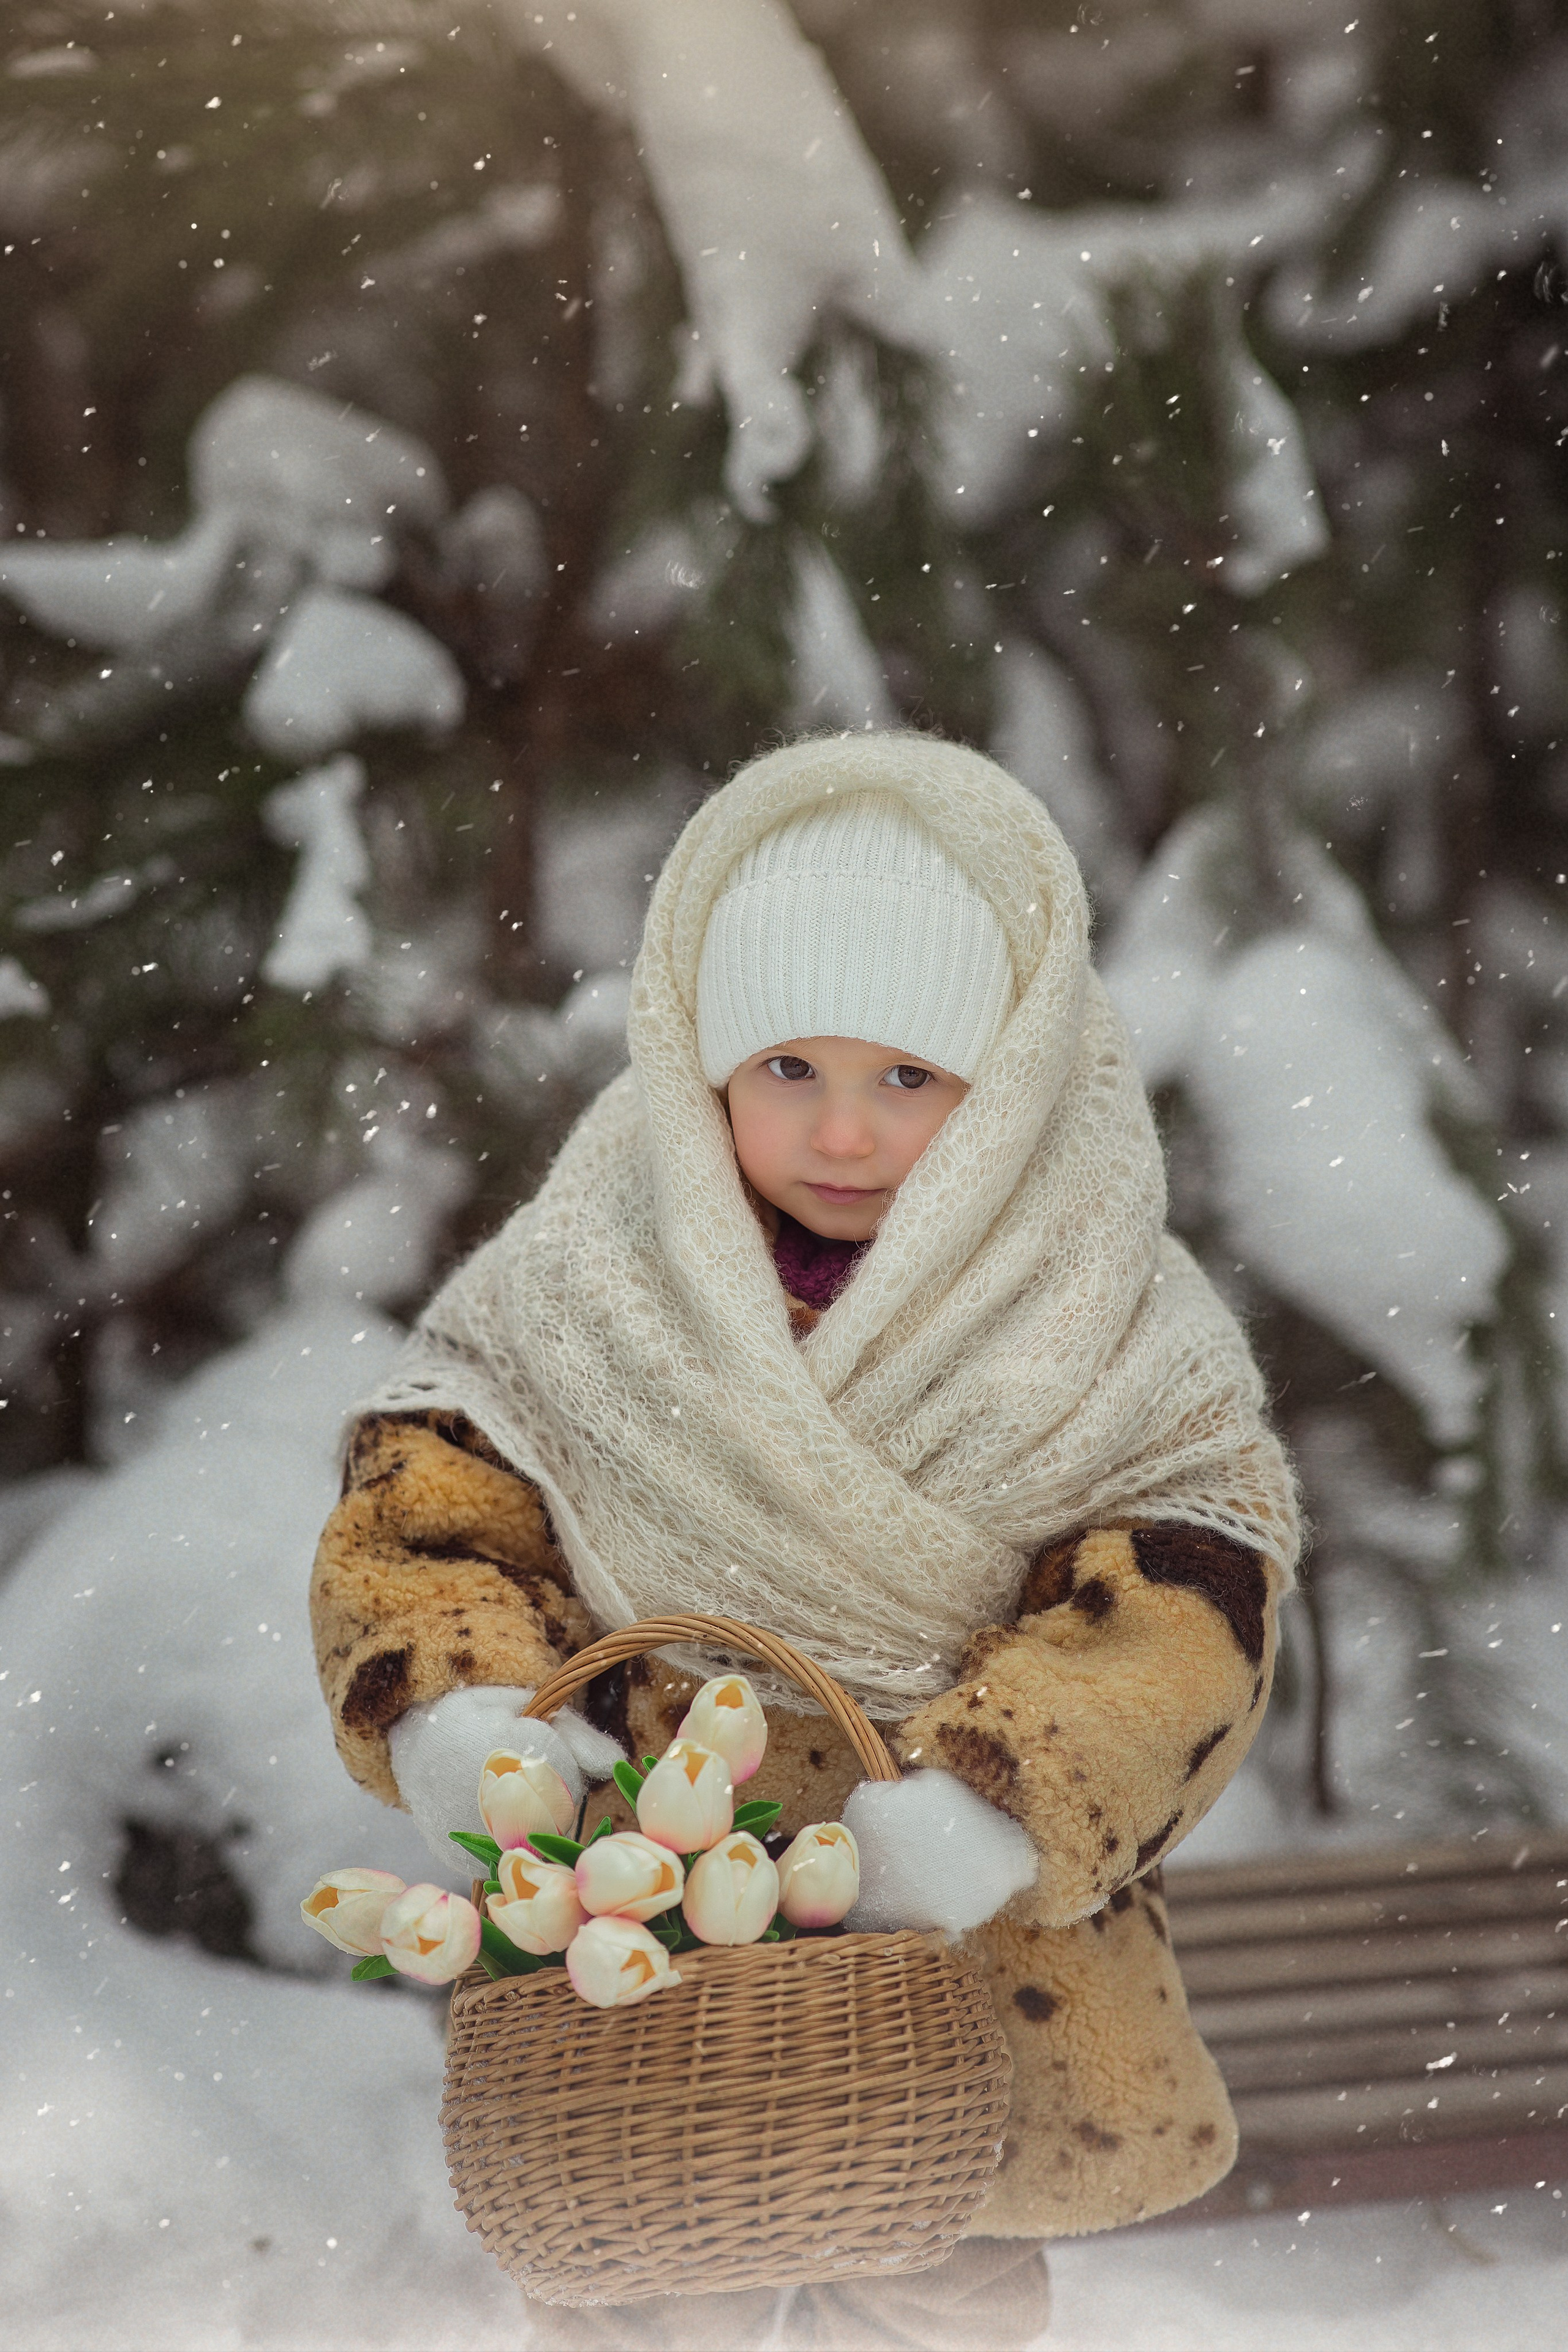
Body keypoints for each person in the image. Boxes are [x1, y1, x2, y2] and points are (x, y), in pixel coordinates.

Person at [309, 731, 1299, 2351]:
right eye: (790, 1072)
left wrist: (993, 1800)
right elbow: (436, 1506)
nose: (844, 1135)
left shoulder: (1098, 1306)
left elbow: (1181, 1617)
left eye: (908, 1078)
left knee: (933, 2276)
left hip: (968, 1939)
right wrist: (464, 1709)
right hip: (645, 1894)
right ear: (702, 1061)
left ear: (1006, 1079)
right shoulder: (593, 1273)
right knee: (638, 2257)